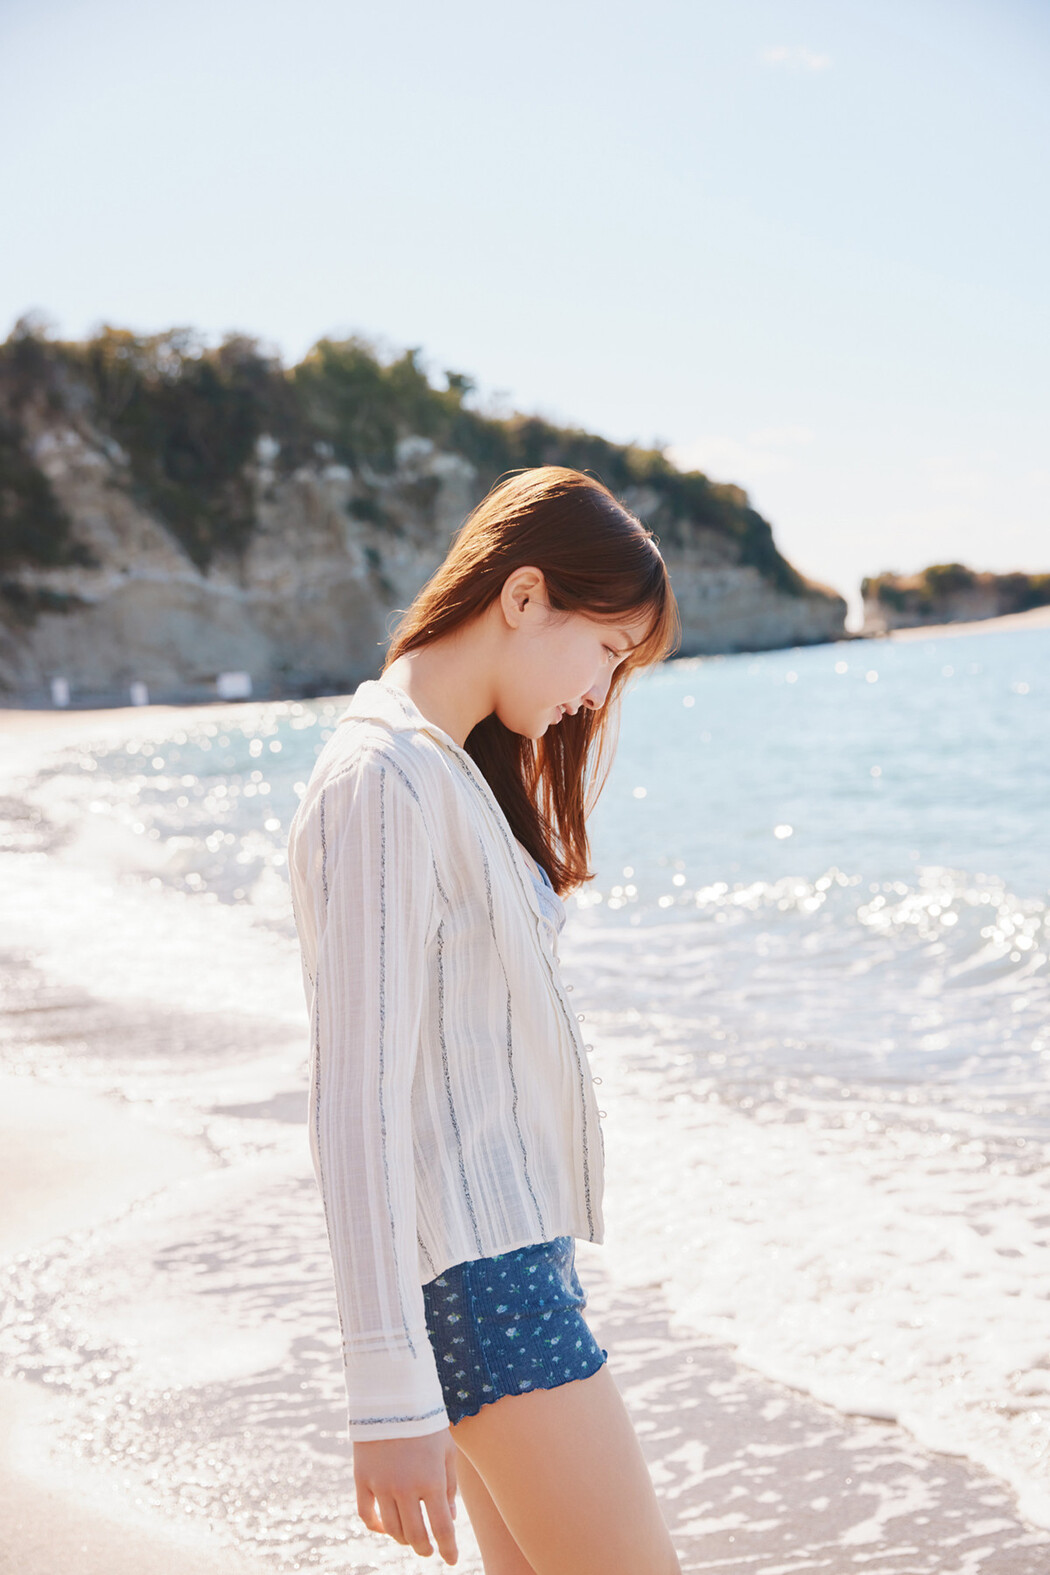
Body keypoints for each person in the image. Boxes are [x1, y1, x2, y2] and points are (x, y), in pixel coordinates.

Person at [287, 465, 682, 1573]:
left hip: (503, 1264)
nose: (599, 693)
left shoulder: (442, 770)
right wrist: (384, 1396)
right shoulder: (384, 778)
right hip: (481, 1283)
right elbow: (353, 1105)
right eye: (607, 649)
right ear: (523, 598)